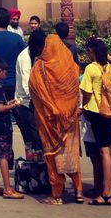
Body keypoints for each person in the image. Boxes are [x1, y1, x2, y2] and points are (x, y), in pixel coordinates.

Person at [28, 33, 83, 205]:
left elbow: (34, 90)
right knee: (71, 155)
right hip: (70, 117)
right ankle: (79, 192)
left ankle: (57, 195)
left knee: (53, 157)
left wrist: (53, 108)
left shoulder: (38, 69)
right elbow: (75, 80)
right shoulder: (67, 62)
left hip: (50, 122)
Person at [80, 36, 111, 205]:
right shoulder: (110, 68)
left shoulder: (91, 69)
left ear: (92, 51)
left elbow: (86, 93)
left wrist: (82, 107)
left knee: (103, 151)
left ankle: (106, 192)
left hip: (96, 112)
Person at [0, 57, 23, 199]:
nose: (6, 75)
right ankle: (8, 188)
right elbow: (1, 108)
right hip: (3, 125)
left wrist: (9, 102)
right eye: (5, 72)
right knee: (4, 156)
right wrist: (14, 105)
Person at [13, 26, 45, 152]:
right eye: (39, 47)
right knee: (33, 140)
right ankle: (35, 167)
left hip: (37, 102)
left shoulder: (39, 55)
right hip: (26, 104)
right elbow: (28, 86)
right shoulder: (24, 58)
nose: (41, 50)